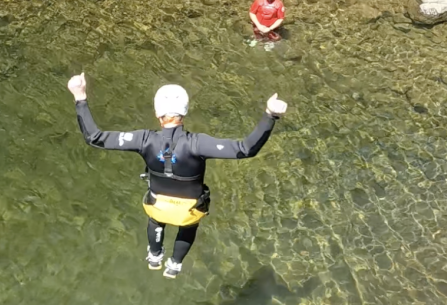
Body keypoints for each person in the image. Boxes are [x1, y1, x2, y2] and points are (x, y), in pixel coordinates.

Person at [67, 74, 288, 279]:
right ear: (184, 113)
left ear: (157, 113)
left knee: (156, 219)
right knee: (188, 226)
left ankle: (154, 256)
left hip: (158, 205)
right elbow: (245, 149)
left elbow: (94, 137)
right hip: (189, 210)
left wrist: (80, 96)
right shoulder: (198, 143)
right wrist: (270, 115)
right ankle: (174, 265)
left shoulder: (143, 139)